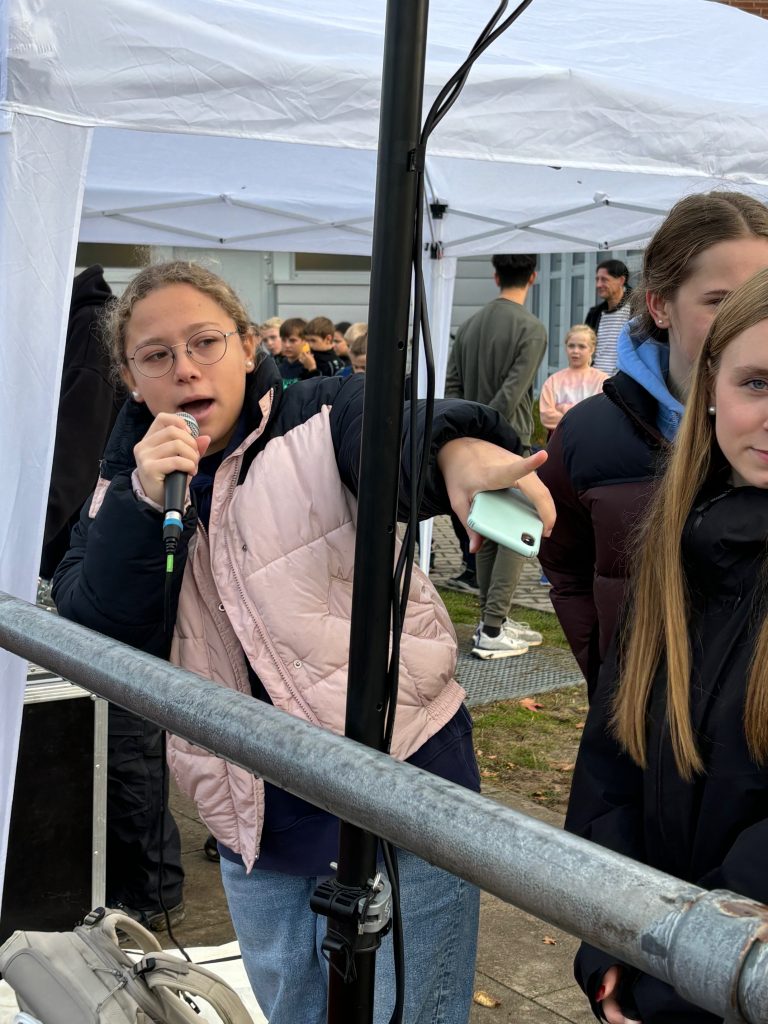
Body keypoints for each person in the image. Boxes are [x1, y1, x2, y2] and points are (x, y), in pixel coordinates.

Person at [51, 261, 555, 1024]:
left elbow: (399, 430)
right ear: (130, 377)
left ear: (249, 345)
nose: (184, 367)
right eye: (156, 355)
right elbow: (101, 631)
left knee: (415, 1009)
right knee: (296, 1007)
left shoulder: (318, 413)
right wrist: (140, 503)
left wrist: (458, 452)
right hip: (255, 816)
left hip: (402, 780)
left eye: (205, 341)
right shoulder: (121, 484)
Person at [566, 267, 768, 1024]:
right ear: (713, 389)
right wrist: (610, 933)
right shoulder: (675, 553)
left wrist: (680, 972)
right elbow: (610, 763)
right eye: (757, 383)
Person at [538, 191, 768, 696]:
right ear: (660, 305)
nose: (748, 320)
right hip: (639, 735)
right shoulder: (588, 434)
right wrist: (610, 675)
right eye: (721, 301)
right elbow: (563, 562)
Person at [445, 253, 547, 659]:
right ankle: (492, 627)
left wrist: (463, 433)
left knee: (486, 528)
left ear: (494, 275)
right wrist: (489, 428)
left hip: (470, 441)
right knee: (516, 531)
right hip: (509, 440)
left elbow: (450, 388)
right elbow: (515, 391)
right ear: (533, 277)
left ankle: (495, 621)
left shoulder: (468, 326)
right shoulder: (532, 328)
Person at [538, 325, 608, 435]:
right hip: (560, 440)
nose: (575, 351)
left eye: (582, 346)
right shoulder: (553, 381)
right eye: (571, 346)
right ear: (566, 347)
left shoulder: (602, 380)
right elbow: (546, 416)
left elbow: (603, 415)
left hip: (592, 438)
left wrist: (563, 409)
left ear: (592, 349)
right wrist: (584, 417)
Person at [586, 259, 632, 374]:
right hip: (595, 383)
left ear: (621, 280)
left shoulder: (636, 309)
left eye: (604, 279)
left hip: (621, 386)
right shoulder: (594, 314)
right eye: (597, 279)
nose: (598, 285)